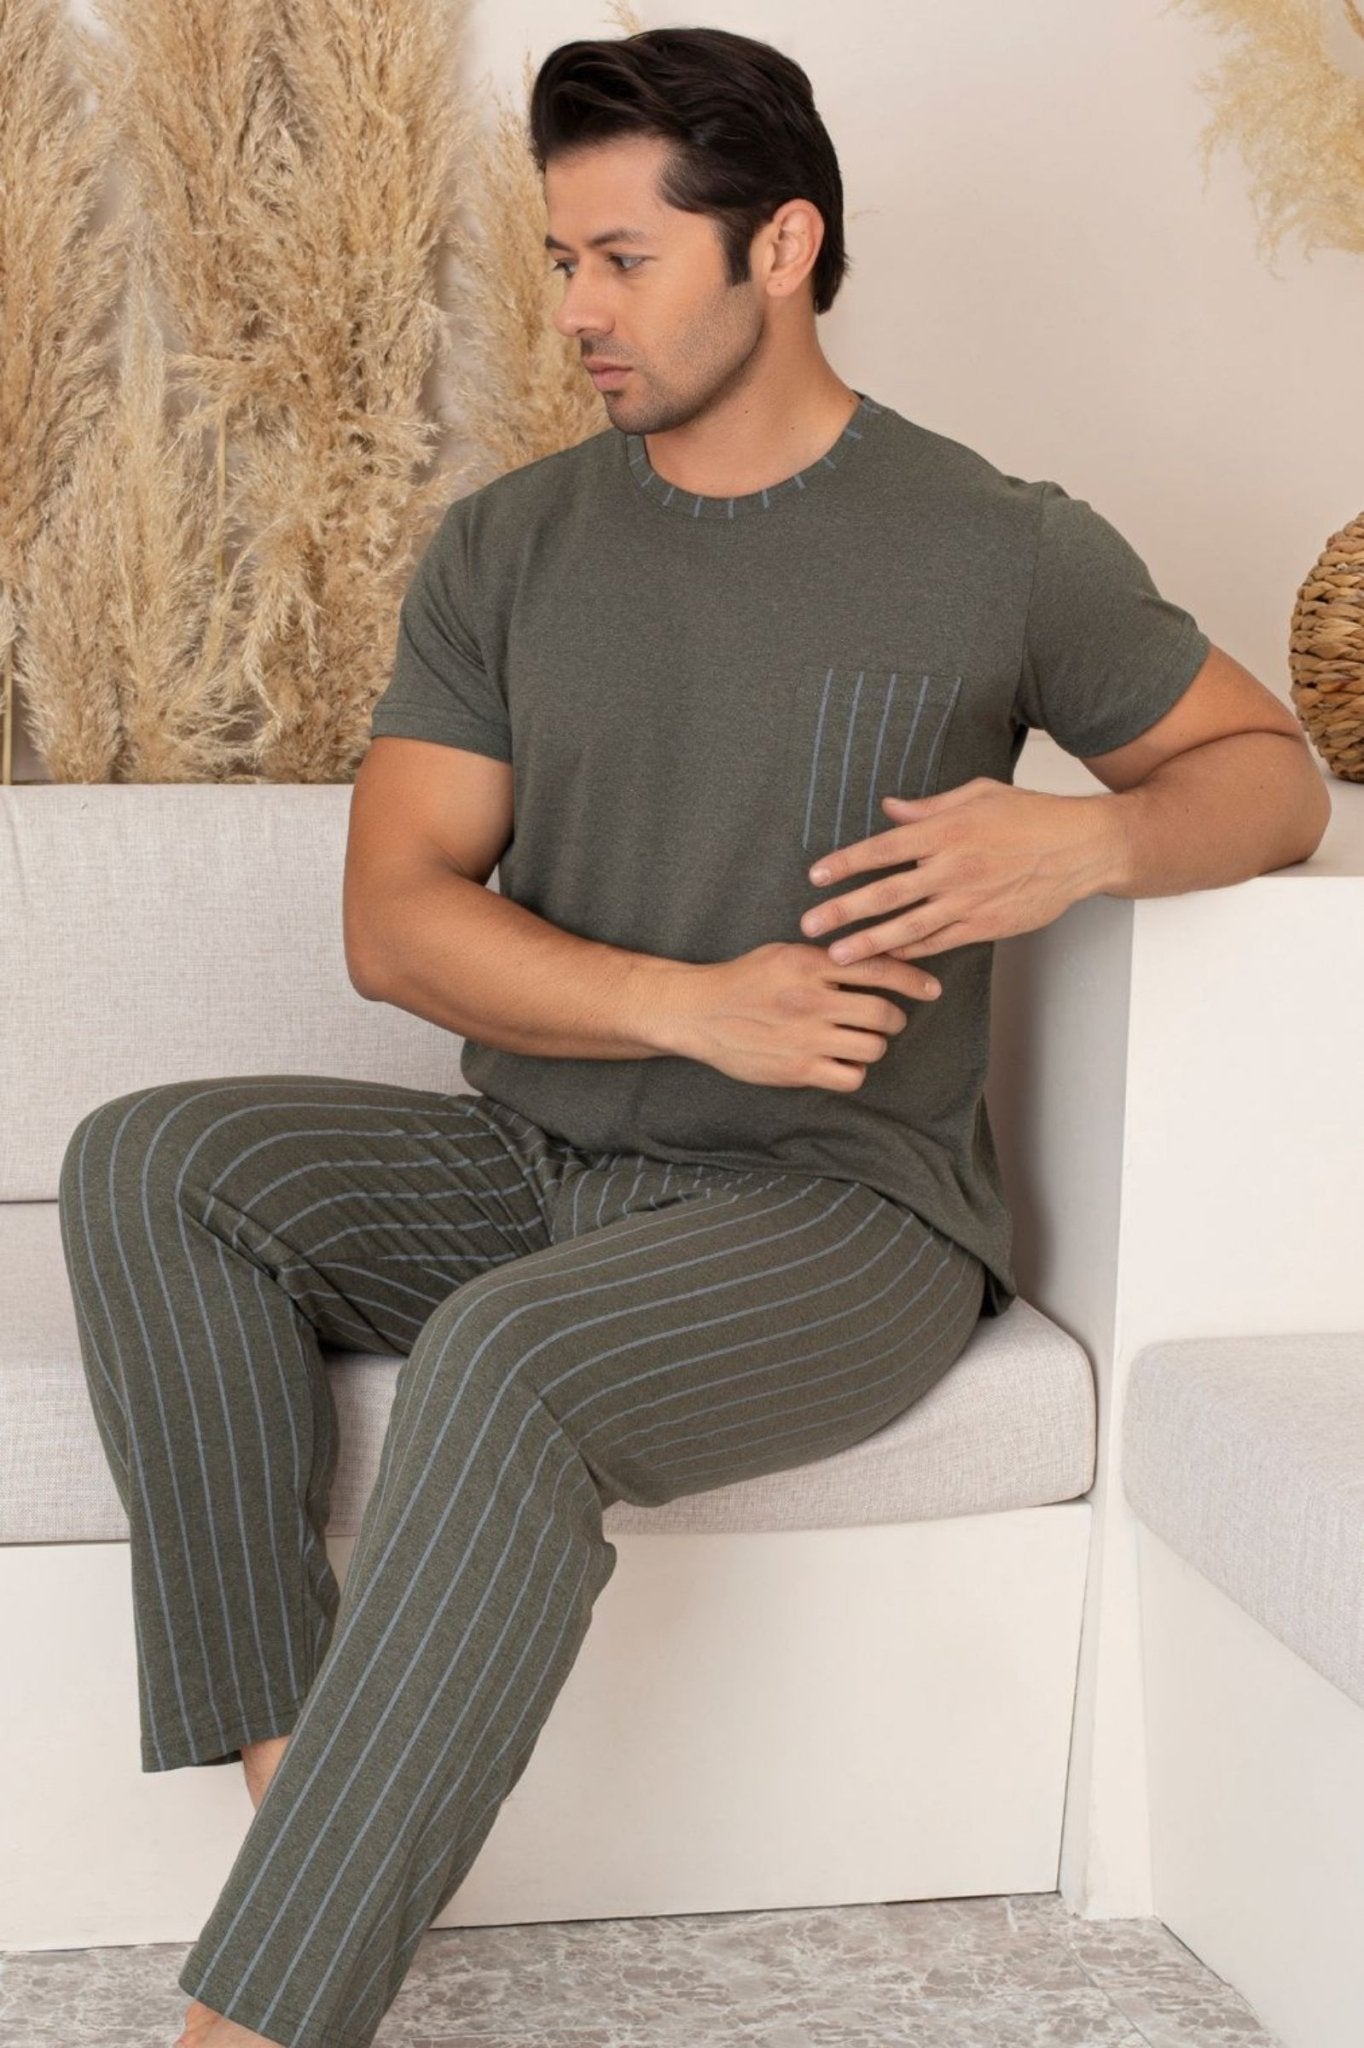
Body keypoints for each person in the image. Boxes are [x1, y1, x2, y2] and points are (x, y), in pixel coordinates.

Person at [56, 26, 1328, 2048]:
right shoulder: (510, 546)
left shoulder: (995, 540)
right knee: (152, 1158)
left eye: (624, 260)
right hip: (532, 1157)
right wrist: (686, 1004)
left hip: (837, 1214)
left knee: (505, 1361)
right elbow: (395, 923)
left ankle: (259, 2021)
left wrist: (1083, 840)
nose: (576, 307)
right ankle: (314, 1783)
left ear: (782, 249)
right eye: (563, 259)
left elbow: (1272, 777)